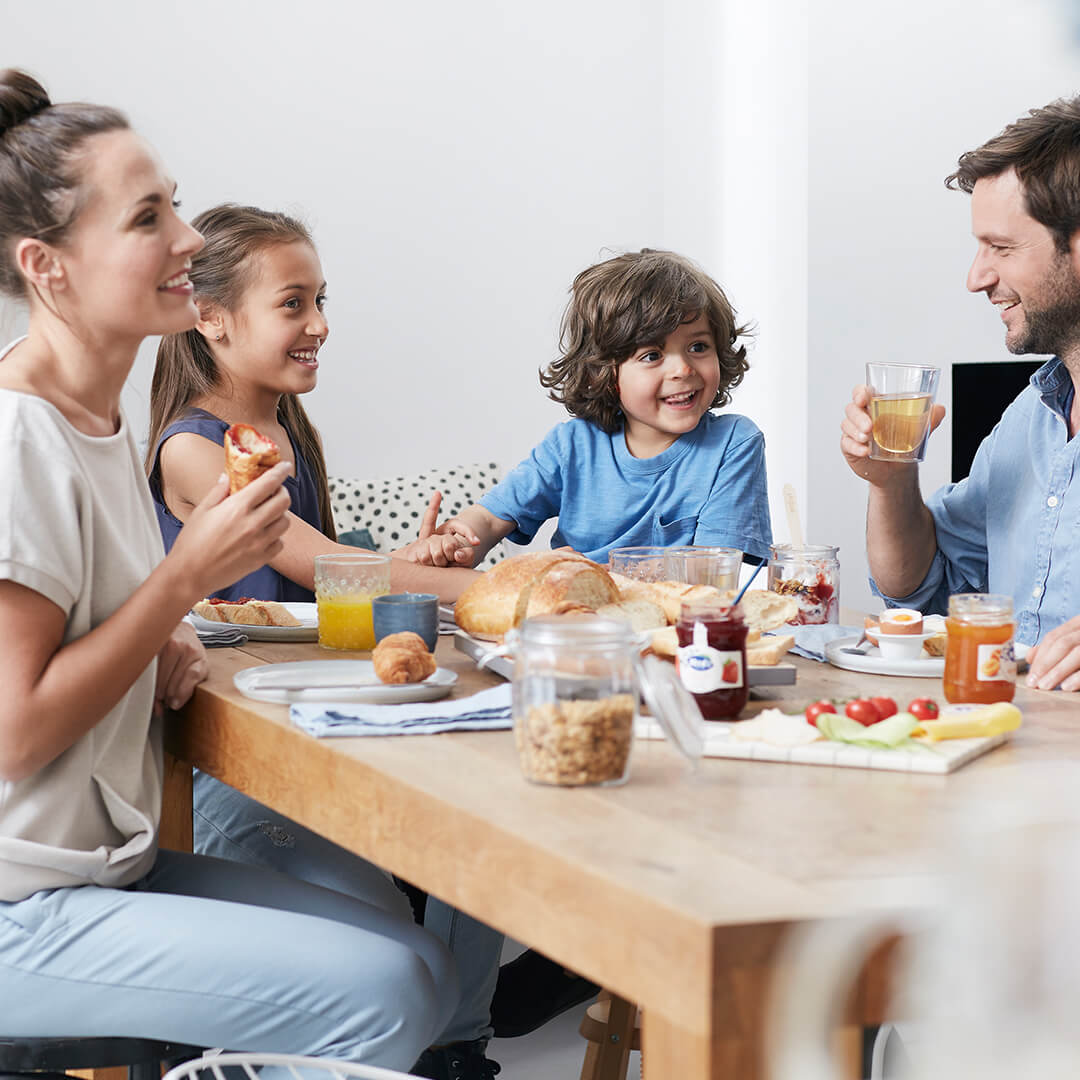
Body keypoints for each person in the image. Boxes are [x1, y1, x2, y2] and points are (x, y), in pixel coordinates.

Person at [0, 70, 458, 1074]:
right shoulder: (16, 438)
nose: (188, 241)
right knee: (384, 996)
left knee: (420, 966)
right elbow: (15, 731)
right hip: (21, 906)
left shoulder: (103, 424)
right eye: (149, 217)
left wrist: (151, 631)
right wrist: (176, 585)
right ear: (48, 266)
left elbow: (85, 630)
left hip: (102, 868)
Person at [148, 204, 500, 1080]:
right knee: (387, 935)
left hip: (310, 739)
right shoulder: (195, 452)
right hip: (231, 767)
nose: (320, 326)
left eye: (320, 300)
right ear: (212, 318)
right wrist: (496, 593)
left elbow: (338, 579)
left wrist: (403, 563)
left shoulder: (284, 436)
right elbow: (320, 569)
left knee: (479, 850)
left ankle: (455, 1056)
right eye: (294, 304)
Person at [840, 95, 1080, 693]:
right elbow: (921, 588)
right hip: (1013, 737)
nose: (977, 277)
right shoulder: (1034, 413)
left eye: (1001, 248)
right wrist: (892, 481)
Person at [400, 248, 773, 569]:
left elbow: (715, 573)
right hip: (576, 623)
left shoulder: (733, 443)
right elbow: (489, 517)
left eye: (698, 347)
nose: (683, 369)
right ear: (605, 373)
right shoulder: (571, 446)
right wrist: (457, 541)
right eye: (652, 355)